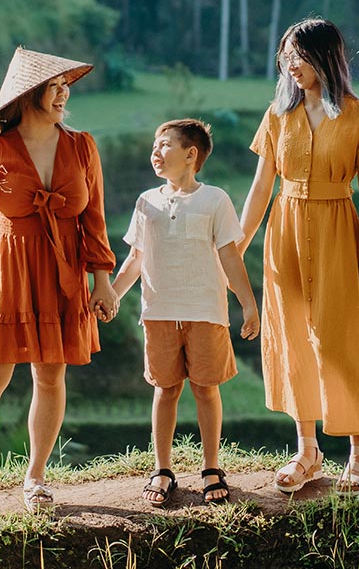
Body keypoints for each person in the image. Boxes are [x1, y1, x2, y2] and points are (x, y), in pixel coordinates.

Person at [0, 47, 118, 525]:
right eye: (53, 87)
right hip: (7, 266)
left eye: (65, 86)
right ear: (27, 95)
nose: (64, 94)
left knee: (51, 375)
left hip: (65, 268)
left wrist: (103, 281)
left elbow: (94, 219)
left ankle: (35, 478)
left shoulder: (81, 146)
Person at [239, 18, 359, 496]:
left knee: (338, 340)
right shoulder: (278, 115)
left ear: (325, 56)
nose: (290, 65)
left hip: (337, 227)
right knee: (292, 337)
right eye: (286, 57)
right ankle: (307, 449)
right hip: (285, 228)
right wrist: (237, 245)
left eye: (298, 56)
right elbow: (262, 187)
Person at [112, 119, 260, 506]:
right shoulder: (147, 201)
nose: (155, 153)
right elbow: (135, 258)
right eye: (154, 146)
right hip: (159, 310)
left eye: (164, 145)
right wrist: (111, 294)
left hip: (206, 310)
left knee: (206, 389)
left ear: (191, 154)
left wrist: (247, 303)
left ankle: (211, 467)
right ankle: (162, 469)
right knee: (165, 389)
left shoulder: (215, 200)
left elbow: (229, 255)